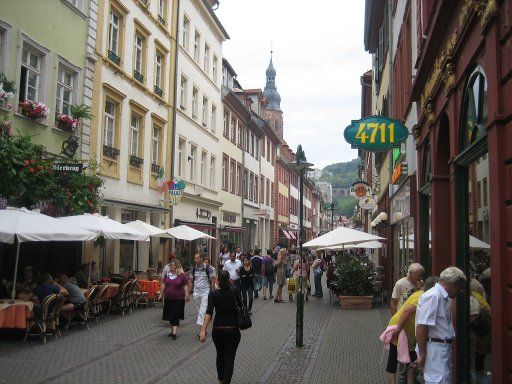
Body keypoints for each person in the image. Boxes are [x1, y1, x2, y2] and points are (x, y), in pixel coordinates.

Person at [415, 266, 467, 384]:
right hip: (436, 349)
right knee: (438, 380)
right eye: (460, 286)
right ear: (454, 283)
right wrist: (422, 354)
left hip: (439, 349)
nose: (460, 290)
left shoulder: (440, 296)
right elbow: (422, 326)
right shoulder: (434, 296)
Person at [383, 276, 438, 384]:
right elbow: (407, 311)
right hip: (400, 327)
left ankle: (409, 381)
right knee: (394, 358)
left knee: (412, 357)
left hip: (407, 329)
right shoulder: (423, 297)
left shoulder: (421, 293)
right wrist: (397, 331)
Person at [199, 270, 242, 384]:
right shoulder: (235, 291)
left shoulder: (213, 294)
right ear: (229, 280)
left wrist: (203, 330)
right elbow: (241, 306)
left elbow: (209, 312)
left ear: (218, 280)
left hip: (218, 330)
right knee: (229, 358)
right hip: (233, 329)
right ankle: (225, 382)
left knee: (220, 355)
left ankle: (221, 379)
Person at [161, 260, 190, 339]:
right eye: (170, 265)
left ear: (176, 266)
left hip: (179, 299)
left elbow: (185, 285)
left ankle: (174, 333)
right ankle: (172, 330)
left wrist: (187, 295)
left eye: (173, 265)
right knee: (170, 315)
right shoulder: (167, 274)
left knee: (175, 314)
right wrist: (161, 294)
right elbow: (163, 283)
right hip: (168, 298)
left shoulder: (182, 275)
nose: (171, 267)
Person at [189, 253, 216, 337]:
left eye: (196, 258)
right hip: (196, 293)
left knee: (203, 310)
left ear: (201, 259)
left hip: (205, 292)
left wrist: (212, 291)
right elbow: (191, 281)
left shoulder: (209, 269)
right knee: (199, 311)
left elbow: (212, 280)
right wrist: (188, 293)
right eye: (194, 258)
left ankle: (202, 331)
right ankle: (204, 328)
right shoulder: (193, 269)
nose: (195, 259)